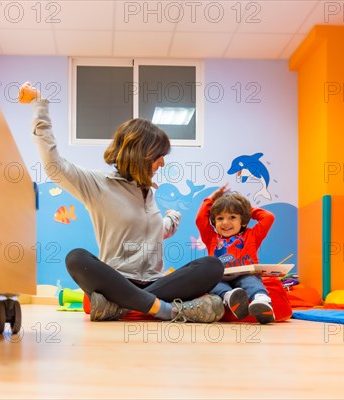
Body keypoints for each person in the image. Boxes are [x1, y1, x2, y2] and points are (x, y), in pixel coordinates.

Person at [19, 82, 225, 323]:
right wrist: (39, 106)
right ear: (141, 153)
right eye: (159, 157)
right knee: (76, 258)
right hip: (117, 281)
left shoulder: (150, 193)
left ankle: (122, 308)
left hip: (154, 281)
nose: (162, 164)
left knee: (212, 266)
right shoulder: (97, 184)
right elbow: (53, 165)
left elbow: (155, 232)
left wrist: (172, 218)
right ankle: (168, 310)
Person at [196, 183, 276, 324]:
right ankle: (230, 297)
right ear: (214, 221)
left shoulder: (252, 235)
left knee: (251, 282)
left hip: (245, 274)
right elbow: (200, 219)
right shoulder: (211, 237)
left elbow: (268, 217)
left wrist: (244, 209)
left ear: (243, 221)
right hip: (219, 277)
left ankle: (261, 301)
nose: (225, 223)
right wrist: (212, 198)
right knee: (212, 283)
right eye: (220, 218)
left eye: (232, 217)